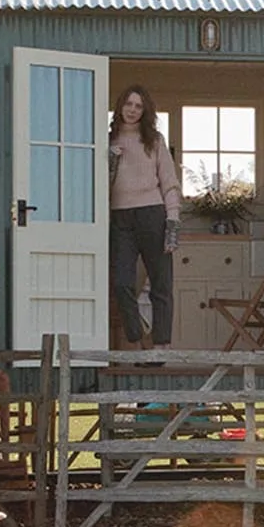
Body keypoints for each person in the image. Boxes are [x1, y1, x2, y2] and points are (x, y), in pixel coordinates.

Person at [107, 85, 180, 354]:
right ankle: (136, 339)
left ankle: (161, 345)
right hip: (120, 218)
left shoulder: (155, 140)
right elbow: (99, 184)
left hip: (153, 213)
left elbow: (170, 182)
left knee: (161, 284)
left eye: (138, 106)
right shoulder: (108, 140)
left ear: (145, 110)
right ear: (120, 106)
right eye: (128, 104)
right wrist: (110, 161)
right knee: (122, 283)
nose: (133, 110)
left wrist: (172, 221)